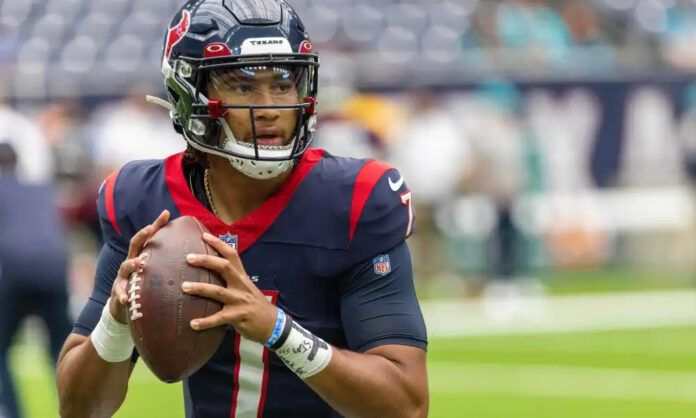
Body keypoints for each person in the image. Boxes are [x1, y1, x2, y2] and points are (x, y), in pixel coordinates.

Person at [56, 1, 429, 417]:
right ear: (188, 91)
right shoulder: (144, 204)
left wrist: (277, 329)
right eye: (243, 85)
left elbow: (406, 405)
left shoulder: (355, 199)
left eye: (284, 84)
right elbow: (78, 409)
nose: (270, 106)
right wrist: (116, 322)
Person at [0, 143, 72, 418]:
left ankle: (11, 413)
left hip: (16, 271)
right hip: (54, 271)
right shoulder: (40, 190)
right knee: (61, 349)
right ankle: (78, 409)